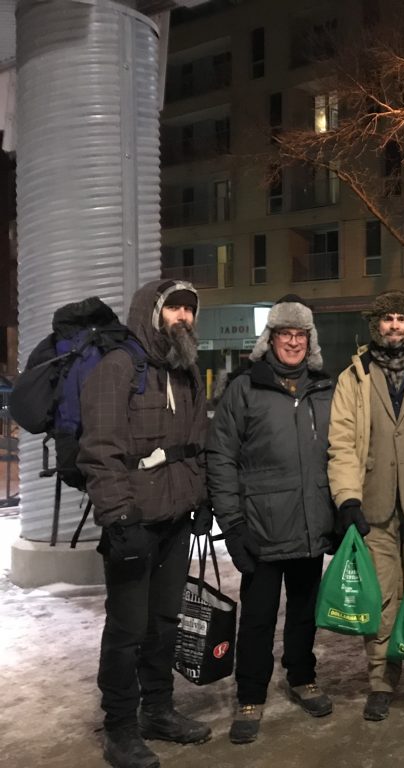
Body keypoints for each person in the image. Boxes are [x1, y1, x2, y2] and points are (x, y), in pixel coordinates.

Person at [78, 280, 211, 768]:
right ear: (151, 312)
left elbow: (198, 441)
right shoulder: (118, 369)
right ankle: (120, 729)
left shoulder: (187, 370)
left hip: (176, 519)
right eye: (174, 307)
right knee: (127, 628)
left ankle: (158, 709)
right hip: (133, 523)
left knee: (164, 622)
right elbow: (100, 451)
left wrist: (202, 498)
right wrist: (118, 517)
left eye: (189, 310)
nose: (183, 316)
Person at [206, 295, 336, 744]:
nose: (293, 343)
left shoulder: (325, 387)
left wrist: (337, 511)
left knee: (304, 612)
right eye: (286, 335)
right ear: (271, 339)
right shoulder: (245, 388)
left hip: (310, 523)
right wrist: (234, 527)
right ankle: (250, 694)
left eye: (301, 335)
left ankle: (302, 676)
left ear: (310, 341)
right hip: (261, 528)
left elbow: (340, 453)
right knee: (258, 618)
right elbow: (220, 458)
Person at [326, 290, 404, 722]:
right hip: (374, 506)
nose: (395, 325)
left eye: (402, 318)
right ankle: (382, 681)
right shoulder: (354, 375)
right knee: (382, 597)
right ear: (375, 325)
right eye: (387, 319)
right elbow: (341, 442)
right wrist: (348, 499)